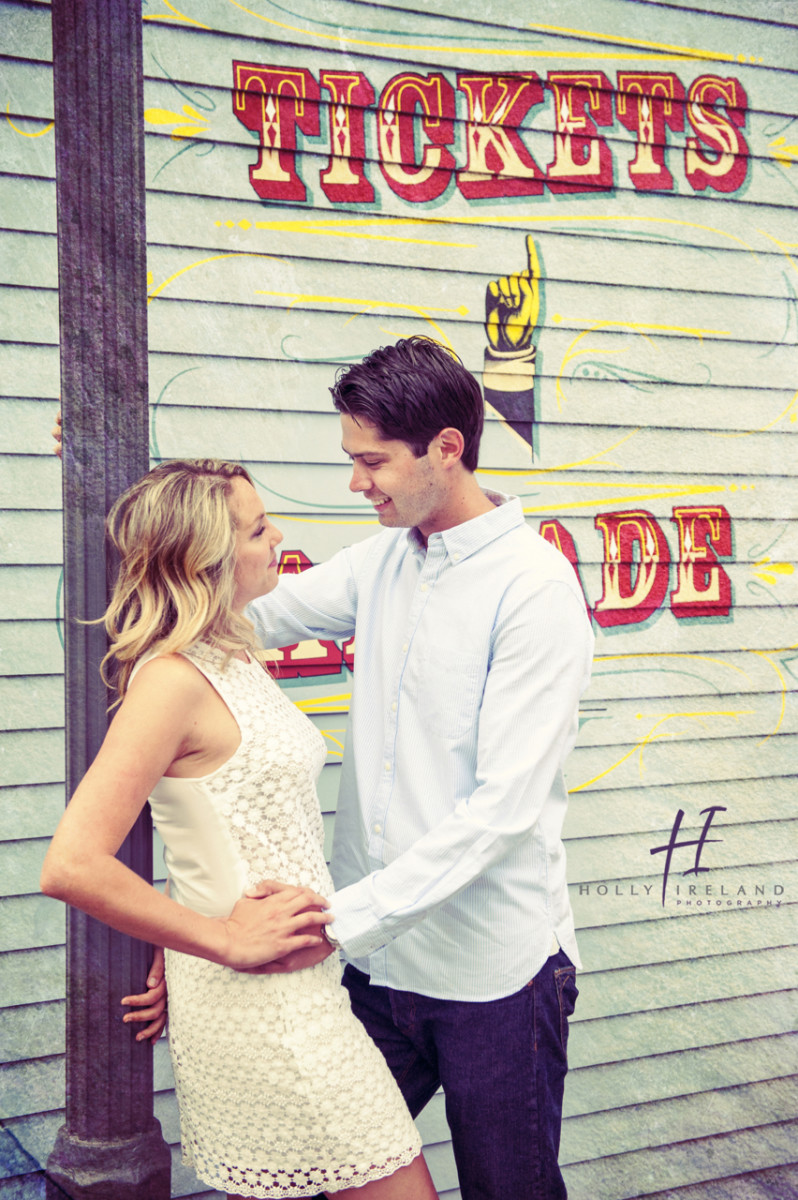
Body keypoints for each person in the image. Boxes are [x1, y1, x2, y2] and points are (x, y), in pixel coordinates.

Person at [240, 336, 593, 1199]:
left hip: (493, 977)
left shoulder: (534, 588)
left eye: (372, 461)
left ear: (446, 448)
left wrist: (335, 920)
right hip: (377, 970)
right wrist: (104, 491)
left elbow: (502, 810)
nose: (357, 482)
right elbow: (243, 621)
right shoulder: (383, 560)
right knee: (322, 1176)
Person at [40, 458, 437, 1200]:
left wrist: (174, 934)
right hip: (259, 998)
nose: (276, 535)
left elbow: (208, 819)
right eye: (257, 529)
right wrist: (216, 938)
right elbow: (72, 863)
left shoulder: (234, 654)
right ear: (206, 558)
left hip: (301, 984)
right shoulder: (170, 682)